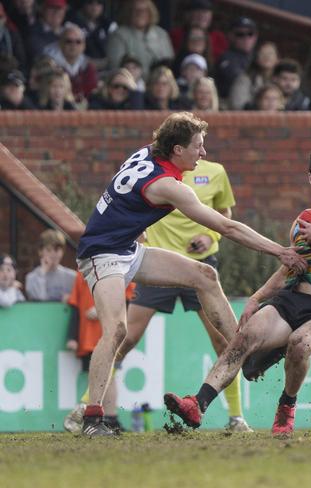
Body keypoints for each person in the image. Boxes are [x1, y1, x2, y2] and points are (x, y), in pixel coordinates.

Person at [75, 111, 306, 436]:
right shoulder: (167, 186)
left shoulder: (149, 152)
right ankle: (92, 419)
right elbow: (227, 226)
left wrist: (127, 225)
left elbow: (121, 197)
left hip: (127, 249)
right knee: (116, 331)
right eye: (198, 146)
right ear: (177, 150)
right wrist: (280, 251)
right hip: (102, 254)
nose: (204, 153)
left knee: (204, 276)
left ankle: (246, 351)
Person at [163, 142, 311, 437]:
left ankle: (286, 406)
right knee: (244, 338)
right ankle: (197, 404)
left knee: (301, 343)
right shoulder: (303, 220)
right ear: (310, 178)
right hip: (288, 301)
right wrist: (256, 298)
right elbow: (289, 266)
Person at [107, 158, 252, 433]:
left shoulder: (216, 171)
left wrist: (211, 237)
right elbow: (131, 206)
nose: (201, 149)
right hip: (158, 264)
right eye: (197, 142)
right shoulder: (155, 173)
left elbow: (225, 212)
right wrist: (137, 232)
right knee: (124, 338)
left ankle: (236, 417)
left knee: (223, 343)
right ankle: (87, 406)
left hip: (200, 269)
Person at [63, 272, 135, 434]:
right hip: (88, 337)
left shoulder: (121, 270)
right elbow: (75, 305)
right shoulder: (81, 274)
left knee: (110, 374)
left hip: (111, 335)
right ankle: (102, 417)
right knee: (101, 374)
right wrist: (72, 336)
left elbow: (129, 301)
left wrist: (101, 310)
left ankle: (110, 417)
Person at [105, 0, 173, 76]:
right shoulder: (118, 35)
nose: (140, 14)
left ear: (151, 13)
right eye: (136, 10)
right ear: (129, 12)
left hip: (159, 82)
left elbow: (169, 62)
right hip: (132, 82)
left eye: (144, 10)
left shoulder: (162, 34)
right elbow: (116, 66)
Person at [44, 22, 98, 105]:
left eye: (78, 42)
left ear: (84, 46)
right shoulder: (48, 65)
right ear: (60, 43)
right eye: (69, 41)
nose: (73, 45)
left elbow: (92, 94)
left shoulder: (89, 67)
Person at [213, 16, 257, 101]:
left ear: (255, 37)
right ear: (231, 36)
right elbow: (237, 79)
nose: (246, 38)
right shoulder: (226, 58)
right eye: (240, 34)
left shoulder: (258, 57)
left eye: (250, 34)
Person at [26, 229, 75, 301]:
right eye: (49, 250)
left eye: (57, 250)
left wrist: (71, 299)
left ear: (63, 251)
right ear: (40, 251)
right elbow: (39, 302)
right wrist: (42, 274)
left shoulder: (72, 277)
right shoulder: (31, 278)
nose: (53, 254)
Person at [228, 41, 278, 110]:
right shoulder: (244, 79)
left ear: (277, 58)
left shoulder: (281, 80)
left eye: (270, 53)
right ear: (256, 58)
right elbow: (237, 105)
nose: (267, 56)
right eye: (262, 53)